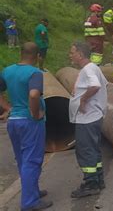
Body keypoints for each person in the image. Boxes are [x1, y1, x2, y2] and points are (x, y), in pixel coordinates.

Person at [0, 42, 52, 210]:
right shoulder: (35, 73)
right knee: (33, 160)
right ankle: (30, 203)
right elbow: (34, 94)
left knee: (23, 159)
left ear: (21, 53)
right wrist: (35, 114)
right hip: (30, 122)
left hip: (14, 121)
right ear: (37, 57)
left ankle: (32, 191)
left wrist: (8, 108)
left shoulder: (7, 71)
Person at [68, 41, 107, 198]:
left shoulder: (88, 69)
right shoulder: (93, 68)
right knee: (93, 149)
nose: (70, 55)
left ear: (80, 54)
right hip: (93, 117)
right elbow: (103, 84)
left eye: (72, 52)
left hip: (87, 119)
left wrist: (83, 100)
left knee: (86, 151)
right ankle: (98, 179)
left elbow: (96, 86)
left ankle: (91, 184)